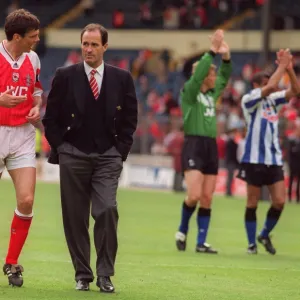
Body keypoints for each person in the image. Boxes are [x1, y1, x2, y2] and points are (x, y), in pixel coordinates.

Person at [42, 23, 137, 293]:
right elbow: (51, 118)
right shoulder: (64, 75)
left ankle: (105, 273)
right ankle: (82, 274)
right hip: (73, 154)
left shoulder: (122, 78)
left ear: (105, 46)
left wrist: (120, 151)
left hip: (108, 156)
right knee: (75, 218)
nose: (89, 49)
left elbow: (130, 119)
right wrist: (61, 147)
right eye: (85, 44)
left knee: (107, 209)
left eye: (94, 44)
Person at [237, 49, 300, 255]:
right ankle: (250, 244)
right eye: (265, 82)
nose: (270, 84)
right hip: (254, 159)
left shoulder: (273, 101)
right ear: (256, 85)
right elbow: (272, 85)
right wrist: (281, 65)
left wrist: (289, 70)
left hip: (273, 159)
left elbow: (295, 91)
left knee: (280, 201)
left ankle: (264, 234)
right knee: (252, 202)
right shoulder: (250, 99)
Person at [175, 29, 232, 254]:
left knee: (207, 197)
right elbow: (197, 77)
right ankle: (182, 230)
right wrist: (212, 51)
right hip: (193, 144)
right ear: (202, 76)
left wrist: (225, 56)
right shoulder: (189, 92)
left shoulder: (211, 94)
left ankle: (201, 242)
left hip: (210, 145)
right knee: (194, 195)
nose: (214, 77)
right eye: (211, 74)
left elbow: (225, 77)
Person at [0, 9, 42, 287]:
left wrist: (37, 106)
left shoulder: (33, 58)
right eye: (33, 36)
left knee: (26, 200)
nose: (37, 40)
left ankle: (12, 263)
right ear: (17, 36)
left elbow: (36, 88)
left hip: (23, 136)